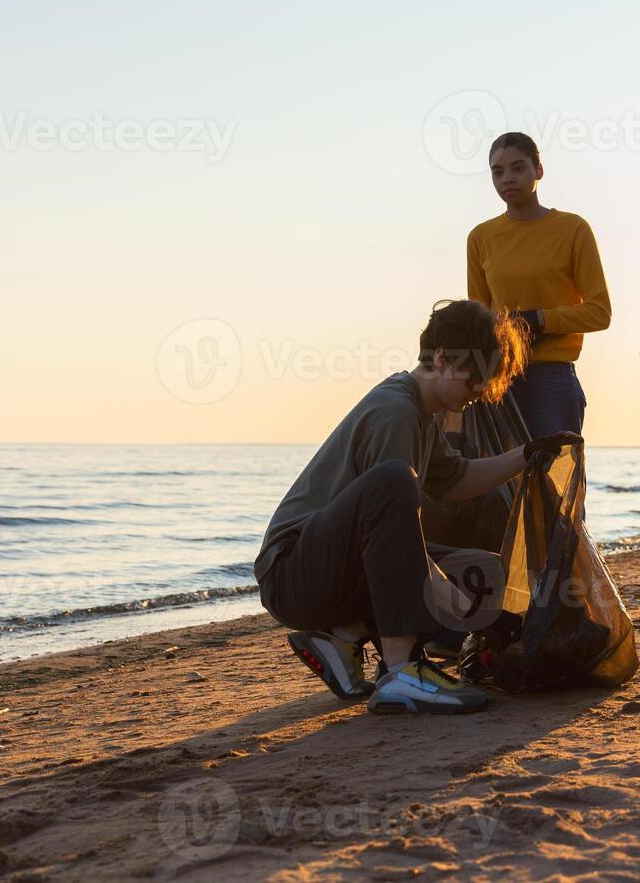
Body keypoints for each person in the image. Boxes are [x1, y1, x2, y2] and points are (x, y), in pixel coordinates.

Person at [254, 300, 577, 715]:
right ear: (442, 358)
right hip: (293, 575)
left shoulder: (423, 412)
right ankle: (402, 669)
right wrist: (473, 615)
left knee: (484, 573)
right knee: (395, 481)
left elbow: (456, 479)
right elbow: (394, 538)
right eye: (475, 380)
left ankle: (341, 638)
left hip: (334, 573)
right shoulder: (395, 412)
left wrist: (525, 455)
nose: (480, 393)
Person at [467, 132, 612, 438]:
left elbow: (600, 313)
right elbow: (477, 318)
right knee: (499, 483)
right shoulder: (480, 237)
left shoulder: (573, 229)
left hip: (553, 378)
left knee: (557, 481)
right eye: (498, 172)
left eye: (518, 168)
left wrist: (537, 320)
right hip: (499, 378)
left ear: (539, 170)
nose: (507, 178)